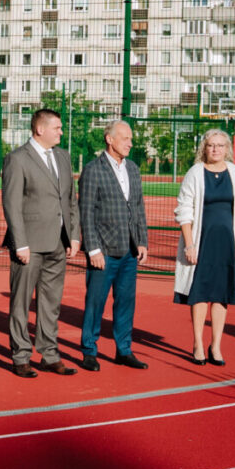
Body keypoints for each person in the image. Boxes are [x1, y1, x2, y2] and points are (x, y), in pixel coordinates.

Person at [2, 108, 80, 378]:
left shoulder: (63, 157)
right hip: (29, 246)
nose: (61, 132)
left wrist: (74, 235)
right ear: (40, 130)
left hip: (58, 243)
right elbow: (11, 204)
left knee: (51, 303)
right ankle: (21, 355)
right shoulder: (17, 159)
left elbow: (70, 199)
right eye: (57, 128)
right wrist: (20, 243)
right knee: (21, 303)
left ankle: (49, 354)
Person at [174, 129, 235, 366]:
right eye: (211, 145)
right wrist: (189, 244)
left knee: (222, 295)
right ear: (204, 148)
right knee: (199, 292)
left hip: (228, 244)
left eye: (220, 145)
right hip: (201, 242)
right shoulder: (195, 173)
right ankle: (198, 343)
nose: (216, 149)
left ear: (227, 149)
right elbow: (184, 210)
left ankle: (216, 345)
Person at [77, 120, 149, 372]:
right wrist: (93, 249)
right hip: (104, 252)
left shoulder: (133, 169)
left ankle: (124, 350)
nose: (131, 143)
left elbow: (138, 208)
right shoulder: (93, 170)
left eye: (131, 139)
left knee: (126, 302)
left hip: (129, 251)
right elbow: (85, 212)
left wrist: (142, 241)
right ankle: (89, 350)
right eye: (126, 138)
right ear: (110, 139)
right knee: (95, 303)